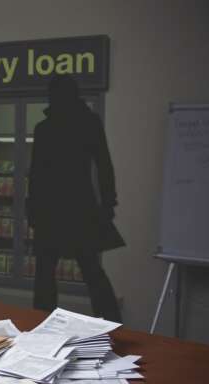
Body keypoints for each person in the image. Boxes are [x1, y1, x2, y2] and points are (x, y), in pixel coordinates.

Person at [27, 74, 124, 322]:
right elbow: (105, 165)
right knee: (90, 269)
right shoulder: (89, 123)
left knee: (46, 272)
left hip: (50, 210)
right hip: (80, 208)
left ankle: (43, 324)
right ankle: (111, 322)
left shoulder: (44, 128)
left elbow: (37, 174)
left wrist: (33, 210)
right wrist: (108, 202)